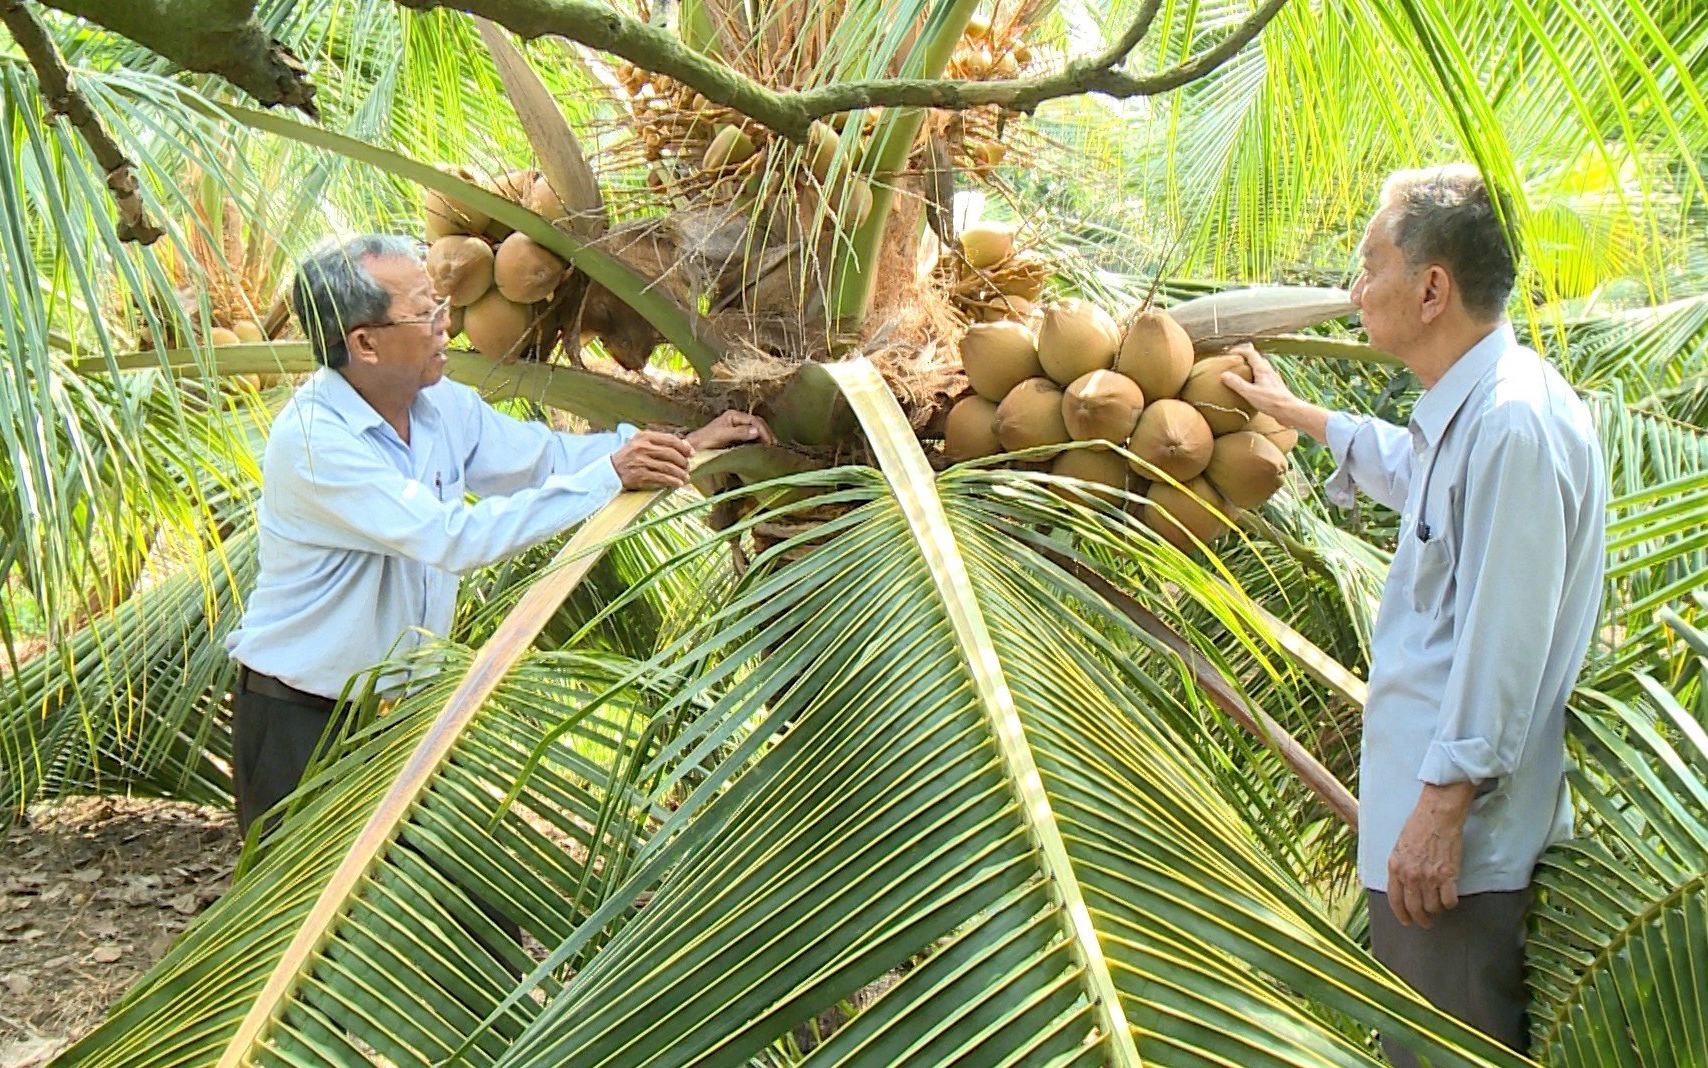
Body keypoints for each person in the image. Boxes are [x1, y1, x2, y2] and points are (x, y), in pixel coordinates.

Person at [1221, 166, 1605, 1062]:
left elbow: (1503, 639)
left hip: (1456, 868)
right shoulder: (1472, 410)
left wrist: (1438, 818)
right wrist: (1300, 415)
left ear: (1432, 288)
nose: (1356, 289)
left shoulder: (1511, 425)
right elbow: (1416, 474)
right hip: (1432, 845)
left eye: (1369, 265)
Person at [225, 234, 774, 837]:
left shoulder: (440, 407)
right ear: (364, 343)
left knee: (460, 919)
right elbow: (451, 538)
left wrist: (677, 446)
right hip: (299, 722)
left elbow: (544, 458)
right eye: (427, 313)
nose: (445, 327)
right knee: (311, 918)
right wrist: (613, 475)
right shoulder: (314, 441)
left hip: (403, 716)